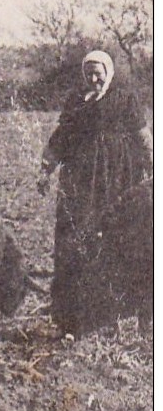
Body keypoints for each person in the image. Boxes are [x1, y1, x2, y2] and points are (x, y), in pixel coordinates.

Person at [38, 49, 153, 332]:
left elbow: (142, 135)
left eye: (98, 73)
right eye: (88, 73)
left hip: (118, 177)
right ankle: (73, 308)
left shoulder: (125, 98)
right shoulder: (76, 100)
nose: (93, 78)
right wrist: (45, 170)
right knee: (76, 234)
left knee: (117, 236)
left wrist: (152, 162)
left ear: (108, 73)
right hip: (80, 180)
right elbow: (60, 138)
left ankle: (120, 309)